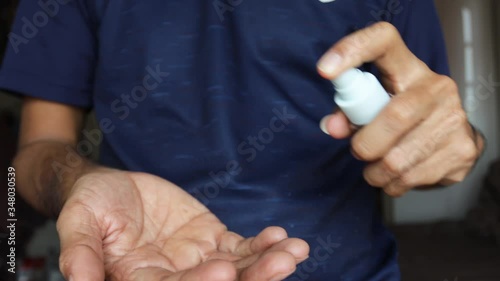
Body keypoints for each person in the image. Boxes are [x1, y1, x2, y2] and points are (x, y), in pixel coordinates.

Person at [0, 0, 485, 280]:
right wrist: (80, 182)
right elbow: (31, 155)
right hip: (142, 267)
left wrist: (458, 144)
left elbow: (427, 130)